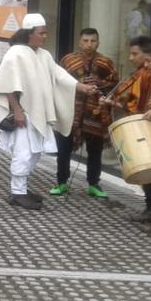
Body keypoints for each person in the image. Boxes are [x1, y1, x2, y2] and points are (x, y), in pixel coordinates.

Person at [0, 14, 100, 211]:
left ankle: (21, 189)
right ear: (29, 34)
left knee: (35, 152)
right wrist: (18, 110)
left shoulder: (43, 54)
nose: (45, 36)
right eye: (41, 33)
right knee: (23, 152)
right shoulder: (15, 53)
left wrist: (81, 87)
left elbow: (59, 74)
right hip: (24, 112)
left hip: (38, 111)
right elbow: (6, 85)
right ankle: (17, 192)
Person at [52, 28, 119, 198]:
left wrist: (100, 83)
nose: (89, 45)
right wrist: (77, 84)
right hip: (70, 110)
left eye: (93, 41)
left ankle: (94, 183)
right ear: (79, 42)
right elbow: (58, 82)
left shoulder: (106, 63)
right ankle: (61, 183)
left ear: (98, 42)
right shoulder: (68, 60)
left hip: (94, 113)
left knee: (95, 151)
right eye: (85, 41)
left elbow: (115, 85)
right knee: (64, 148)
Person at [104, 37, 151, 221]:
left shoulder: (148, 77)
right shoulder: (141, 75)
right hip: (145, 127)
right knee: (147, 171)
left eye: (136, 54)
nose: (132, 58)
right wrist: (114, 102)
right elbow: (133, 100)